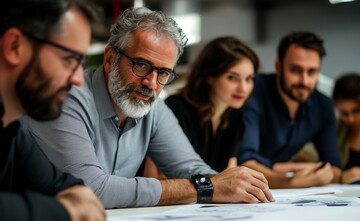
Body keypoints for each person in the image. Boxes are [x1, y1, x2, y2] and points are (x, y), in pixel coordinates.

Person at [24, 7, 274, 209]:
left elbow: (192, 168)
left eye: (164, 72)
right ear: (110, 58)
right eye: (141, 65)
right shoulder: (67, 98)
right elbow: (90, 189)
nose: (151, 83)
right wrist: (203, 187)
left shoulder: (152, 108)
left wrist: (233, 185)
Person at [0, 0, 106, 221]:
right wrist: (63, 213)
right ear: (14, 46)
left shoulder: (12, 130)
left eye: (81, 63)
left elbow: (69, 189)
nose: (79, 79)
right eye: (70, 59)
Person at [237, 31, 343, 188]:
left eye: (312, 71)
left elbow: (334, 167)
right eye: (296, 70)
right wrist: (294, 176)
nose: (304, 81)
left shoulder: (323, 104)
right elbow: (245, 163)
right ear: (278, 68)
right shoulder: (253, 91)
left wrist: (287, 169)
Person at [144, 36, 258, 178]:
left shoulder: (235, 116)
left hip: (203, 198)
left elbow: (229, 173)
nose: (244, 88)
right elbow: (156, 178)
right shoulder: (177, 109)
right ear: (210, 77)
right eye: (232, 78)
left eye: (249, 79)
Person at [332, 73, 360, 184]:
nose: (351, 119)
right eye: (344, 113)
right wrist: (340, 176)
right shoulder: (337, 128)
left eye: (356, 111)